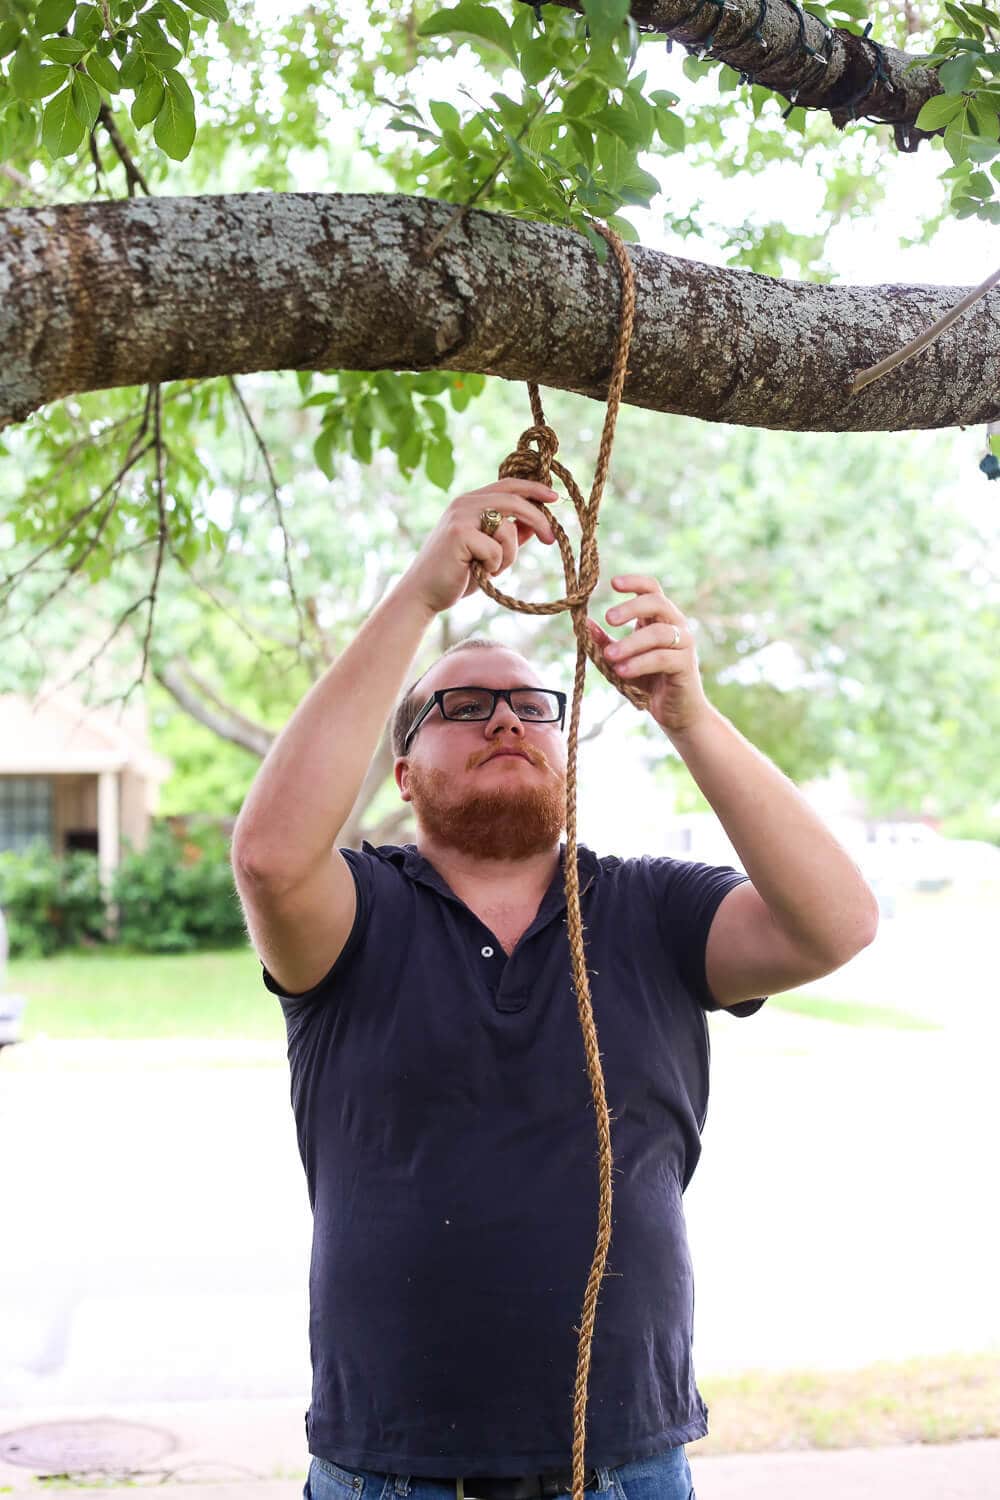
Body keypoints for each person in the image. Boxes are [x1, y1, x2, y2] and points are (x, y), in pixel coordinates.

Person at [231, 479, 879, 1500]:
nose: (504, 720)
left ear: (564, 748)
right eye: (462, 704)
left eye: (532, 704)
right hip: (391, 1467)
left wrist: (688, 715)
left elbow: (833, 925)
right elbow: (268, 857)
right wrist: (418, 598)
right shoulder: (358, 912)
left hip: (622, 1462)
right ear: (402, 771)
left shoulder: (650, 910)